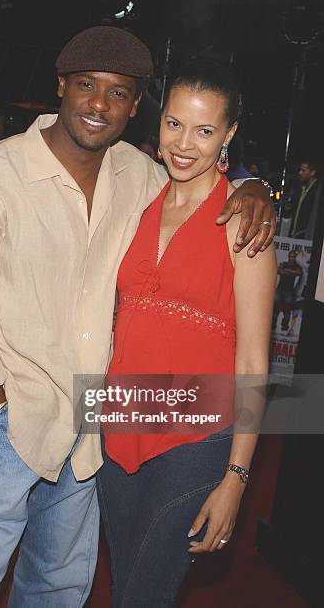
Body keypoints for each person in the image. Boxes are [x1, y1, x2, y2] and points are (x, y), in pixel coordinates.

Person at [0, 27, 275, 607]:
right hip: (7, 421)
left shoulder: (137, 178)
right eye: (87, 85)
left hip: (96, 424)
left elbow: (205, 185)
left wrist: (255, 185)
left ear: (135, 107)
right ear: (60, 86)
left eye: (119, 93)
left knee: (61, 586)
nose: (99, 104)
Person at [97, 59, 277, 607]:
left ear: (229, 134)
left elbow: (252, 359)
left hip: (195, 438)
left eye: (204, 130)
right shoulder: (140, 198)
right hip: (118, 424)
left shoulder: (244, 220)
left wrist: (238, 477)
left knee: (145, 593)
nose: (184, 143)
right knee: (124, 580)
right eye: (174, 123)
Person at [290, 159, 322, 239]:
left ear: (312, 172)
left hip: (308, 235)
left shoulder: (318, 190)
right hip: (296, 233)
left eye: (303, 170)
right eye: (300, 170)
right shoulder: (301, 188)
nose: (299, 173)